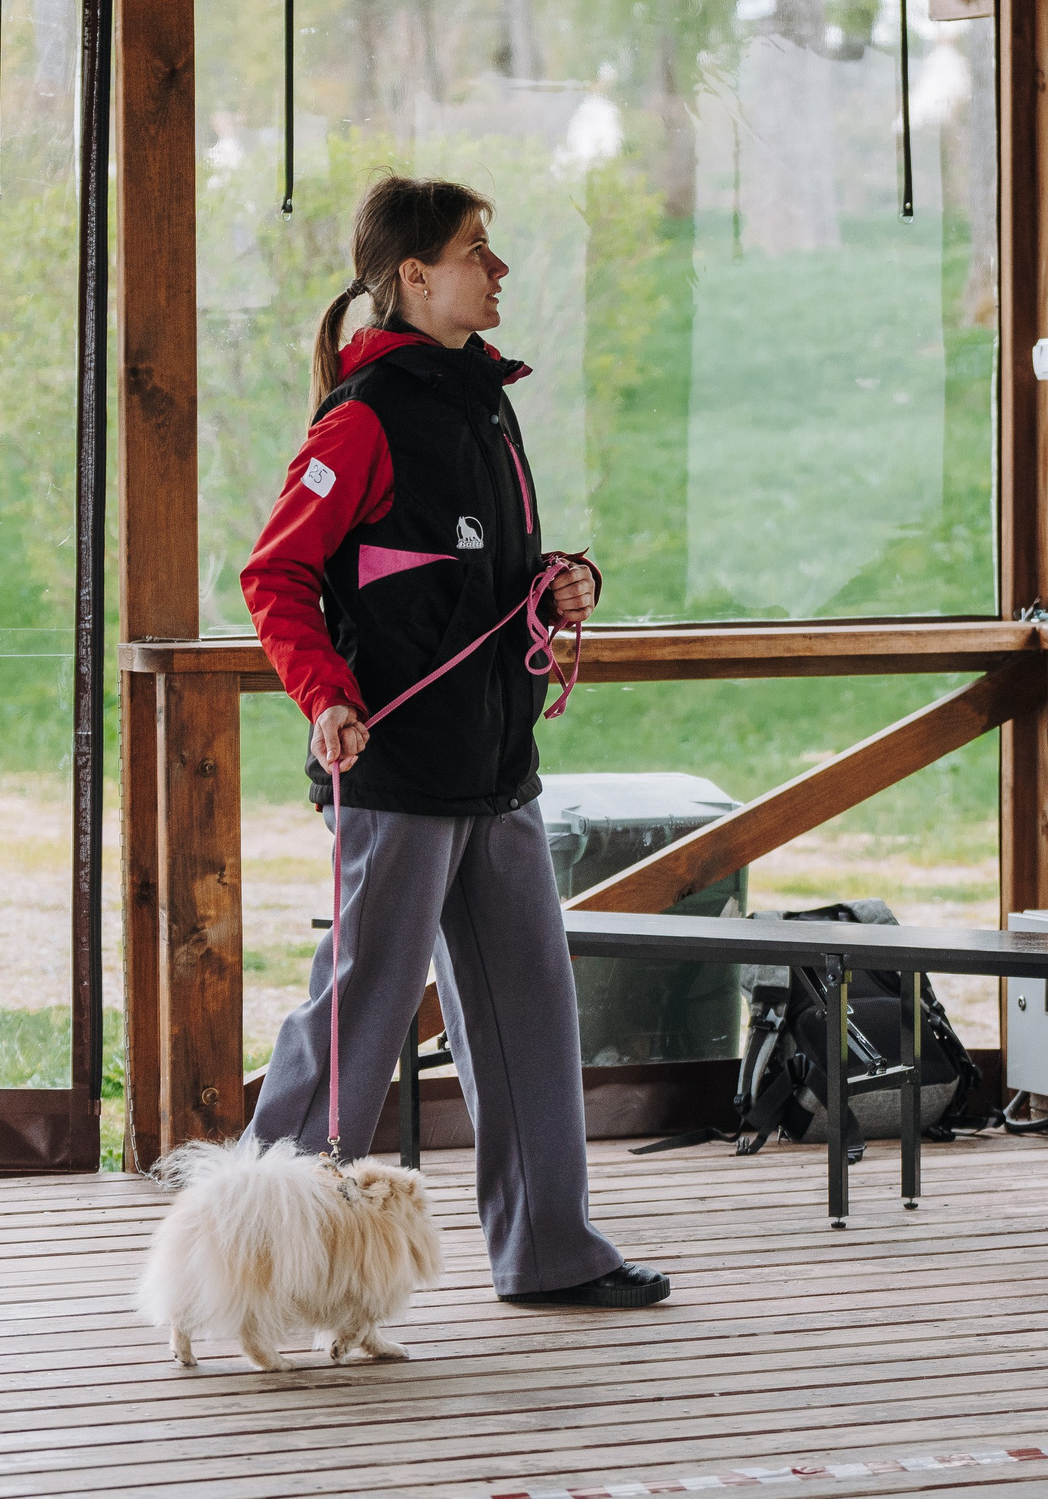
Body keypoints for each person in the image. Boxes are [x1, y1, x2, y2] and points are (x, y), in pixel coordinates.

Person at [238, 173, 671, 1311]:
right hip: (394, 773)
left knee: (530, 1003)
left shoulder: (485, 403)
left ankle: (552, 1251)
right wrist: (323, 695)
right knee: (358, 1014)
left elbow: (467, 569)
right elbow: (275, 574)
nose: (500, 268)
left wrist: (554, 584)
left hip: (496, 769)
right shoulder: (360, 420)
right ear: (414, 276)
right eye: (479, 249)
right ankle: (243, 1236)